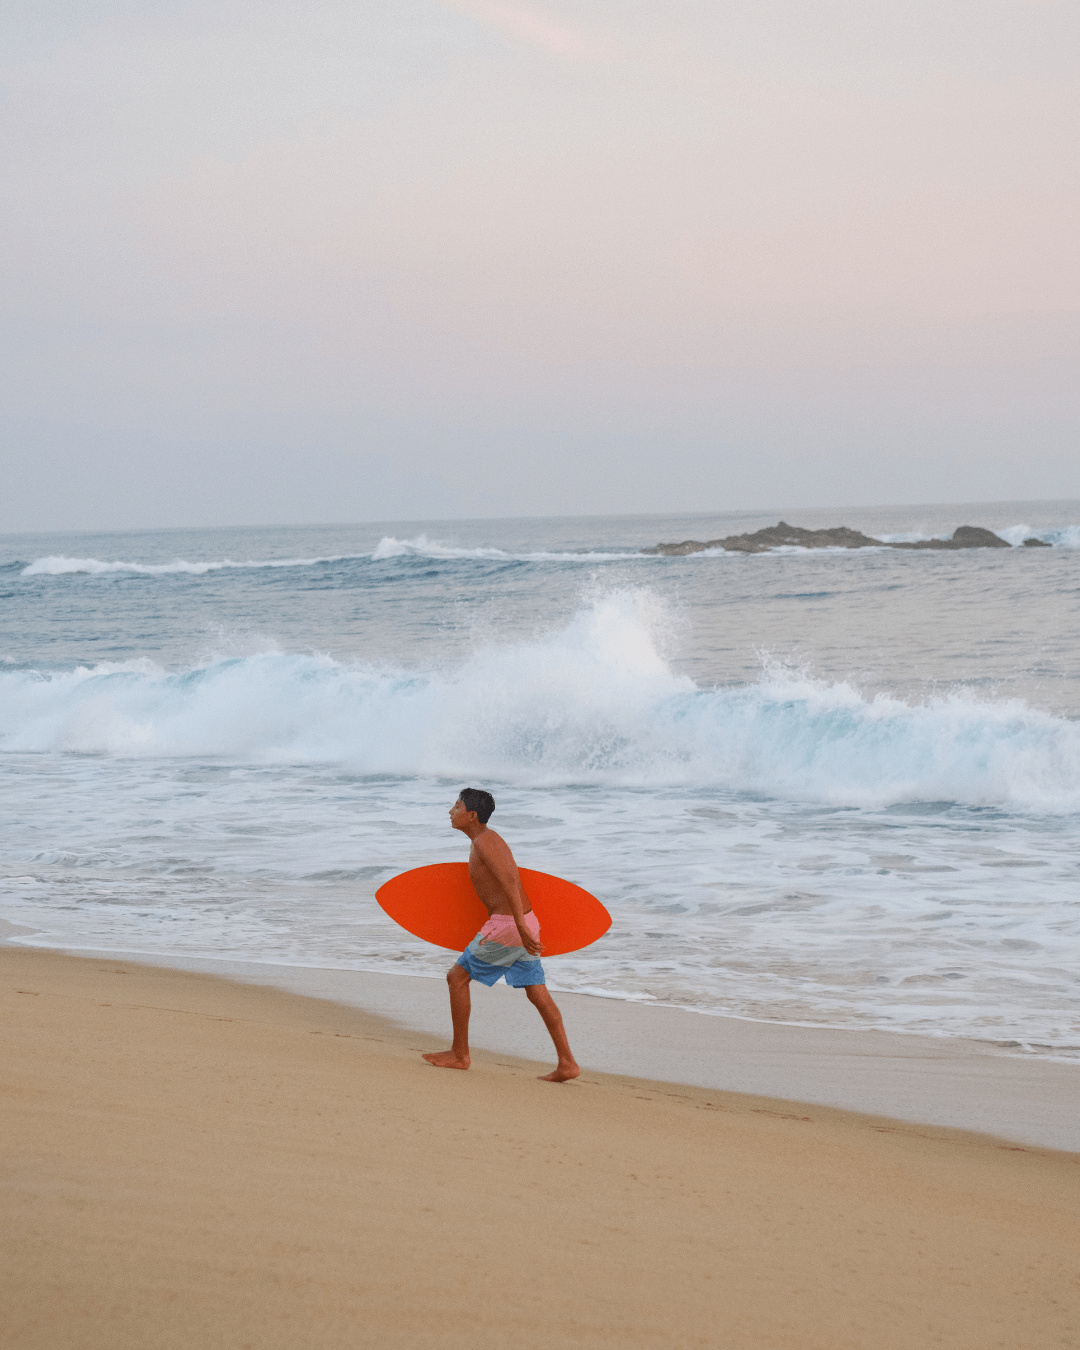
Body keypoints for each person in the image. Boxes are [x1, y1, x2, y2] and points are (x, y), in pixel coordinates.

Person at [422, 788, 581, 1083]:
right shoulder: (485, 840)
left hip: (509, 925)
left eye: (456, 806)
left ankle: (459, 1054)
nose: (450, 812)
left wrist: (518, 925)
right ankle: (567, 1063)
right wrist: (524, 925)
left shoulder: (486, 841)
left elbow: (510, 879)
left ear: (472, 815)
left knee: (457, 978)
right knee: (537, 992)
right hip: (524, 923)